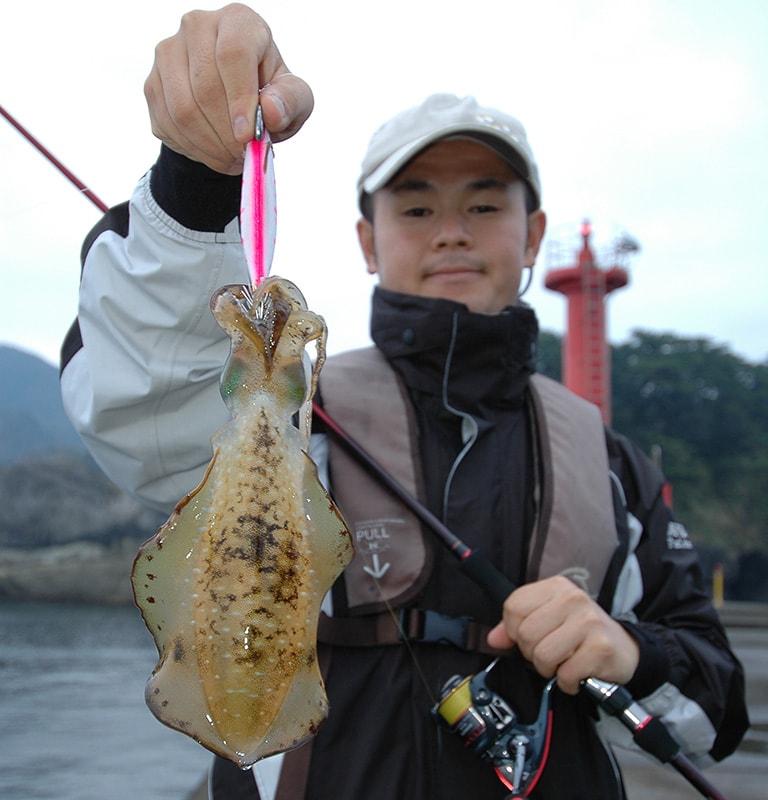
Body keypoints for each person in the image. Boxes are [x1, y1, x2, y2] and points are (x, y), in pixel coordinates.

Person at [60, 5, 748, 799]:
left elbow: (715, 703)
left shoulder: (610, 463)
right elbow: (144, 399)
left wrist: (629, 654)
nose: (450, 231)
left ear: (535, 236)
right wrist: (194, 182)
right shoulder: (301, 417)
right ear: (367, 240)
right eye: (416, 207)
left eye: (484, 205)